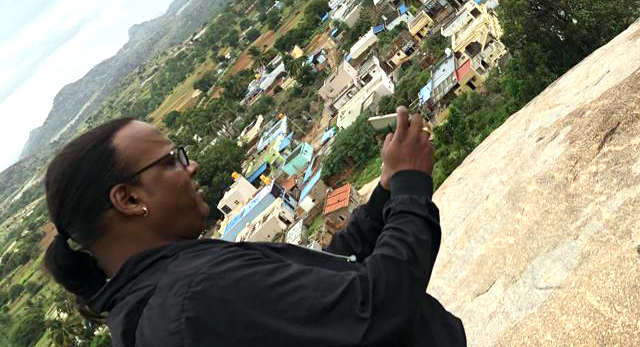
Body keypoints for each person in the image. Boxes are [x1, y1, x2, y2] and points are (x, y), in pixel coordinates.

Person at [42, 108, 466, 347]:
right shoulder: (196, 296)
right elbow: (376, 305)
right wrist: (411, 184)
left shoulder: (160, 296)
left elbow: (319, 275)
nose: (191, 166)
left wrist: (386, 191)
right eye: (172, 159)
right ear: (130, 199)